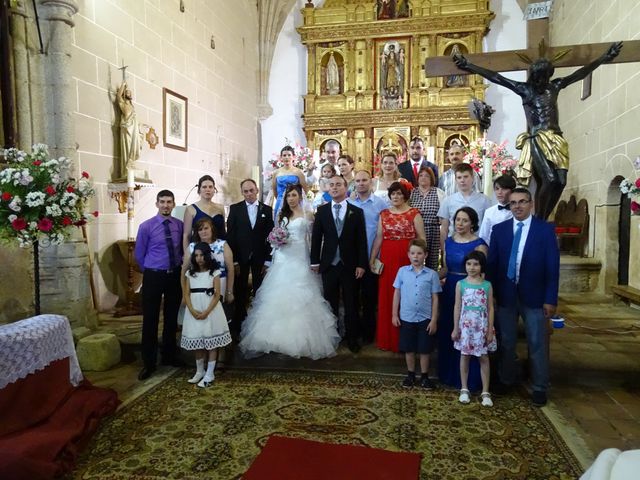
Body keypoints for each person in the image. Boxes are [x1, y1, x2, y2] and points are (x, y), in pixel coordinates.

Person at [453, 42, 622, 219]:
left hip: (556, 138)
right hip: (537, 138)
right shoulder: (525, 89)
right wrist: (468, 66)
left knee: (561, 181)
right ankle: (539, 219)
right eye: (540, 75)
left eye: (545, 75)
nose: (543, 80)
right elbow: (496, 77)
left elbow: (580, 74)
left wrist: (604, 58)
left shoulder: (554, 86)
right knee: (550, 179)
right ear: (534, 74)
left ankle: (543, 216)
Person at [240, 184, 340, 359]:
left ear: (300, 197)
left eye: (294, 195)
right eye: (288, 196)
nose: (291, 199)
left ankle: (301, 339)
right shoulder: (282, 215)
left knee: (301, 295)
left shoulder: (308, 215)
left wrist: (314, 259)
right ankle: (272, 337)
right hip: (283, 257)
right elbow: (277, 233)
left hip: (300, 256)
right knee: (278, 294)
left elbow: (313, 238)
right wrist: (275, 240)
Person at [487, 187, 560, 407]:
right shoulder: (499, 230)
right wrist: (492, 295)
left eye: (522, 202)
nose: (517, 206)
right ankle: (506, 379)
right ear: (509, 206)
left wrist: (550, 299)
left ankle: (539, 386)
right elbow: (492, 266)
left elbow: (552, 267)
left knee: (537, 342)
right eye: (513, 203)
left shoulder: (544, 230)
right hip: (506, 295)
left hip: (535, 296)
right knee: (506, 342)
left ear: (531, 204)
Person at [311, 174, 368, 353]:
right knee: (330, 303)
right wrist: (315, 261)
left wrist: (361, 264)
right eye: (331, 185)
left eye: (338, 185)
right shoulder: (322, 211)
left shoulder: (356, 212)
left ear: (346, 188)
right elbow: (316, 238)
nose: (334, 187)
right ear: (327, 188)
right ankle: (332, 338)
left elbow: (361, 240)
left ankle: (352, 338)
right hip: (328, 264)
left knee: (351, 303)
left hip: (349, 264)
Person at [369, 181, 425, 352]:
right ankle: (388, 340)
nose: (396, 197)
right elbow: (379, 237)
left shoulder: (414, 213)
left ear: (405, 195)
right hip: (388, 258)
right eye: (393, 194)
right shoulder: (384, 214)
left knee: (408, 298)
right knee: (388, 297)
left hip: (408, 258)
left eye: (399, 194)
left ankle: (407, 341)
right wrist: (372, 259)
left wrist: (419, 260)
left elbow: (422, 239)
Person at [135, 190, 184, 381]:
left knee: (171, 318)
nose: (165, 205)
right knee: (150, 319)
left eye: (169, 202)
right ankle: (149, 363)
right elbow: (139, 254)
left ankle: (169, 356)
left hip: (173, 276)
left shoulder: (179, 225)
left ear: (173, 204)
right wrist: (152, 269)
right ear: (157, 204)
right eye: (162, 202)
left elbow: (181, 248)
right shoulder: (146, 226)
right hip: (154, 276)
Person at [437, 207, 488, 390]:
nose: (460, 223)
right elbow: (444, 268)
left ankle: (470, 380)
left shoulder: (479, 244)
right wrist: (430, 278)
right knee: (450, 329)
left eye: (464, 220)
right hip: (450, 288)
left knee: (468, 331)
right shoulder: (448, 242)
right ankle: (448, 374)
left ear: (472, 223)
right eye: (457, 220)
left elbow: (483, 274)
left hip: (471, 292)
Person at [226, 179, 274, 337]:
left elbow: (270, 236)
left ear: (257, 190)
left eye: (251, 190)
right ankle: (239, 322)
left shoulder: (267, 209)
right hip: (240, 257)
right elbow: (231, 235)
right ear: (242, 192)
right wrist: (233, 261)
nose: (248, 194)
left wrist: (268, 260)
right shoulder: (235, 209)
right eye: (245, 191)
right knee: (240, 290)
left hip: (260, 257)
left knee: (260, 289)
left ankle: (260, 322)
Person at [180, 242, 231, 388]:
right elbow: (187, 293)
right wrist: (191, 309)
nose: (199, 258)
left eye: (202, 255)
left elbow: (216, 295)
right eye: (196, 256)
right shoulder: (190, 273)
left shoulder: (214, 272)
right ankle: (199, 371)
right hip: (194, 309)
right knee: (198, 340)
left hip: (210, 309)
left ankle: (210, 373)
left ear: (207, 255)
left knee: (211, 342)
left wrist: (207, 311)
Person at [392, 239, 441, 389]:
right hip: (407, 317)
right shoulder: (402, 272)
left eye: (419, 253)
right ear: (408, 254)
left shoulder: (432, 275)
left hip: (425, 318)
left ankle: (425, 376)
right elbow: (397, 293)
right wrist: (395, 314)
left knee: (425, 349)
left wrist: (433, 320)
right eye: (413, 253)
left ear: (425, 255)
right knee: (409, 348)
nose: (416, 256)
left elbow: (435, 298)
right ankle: (411, 374)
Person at [451, 251, 496, 406]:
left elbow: (490, 308)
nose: (472, 267)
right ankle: (464, 388)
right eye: (469, 264)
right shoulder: (460, 284)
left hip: (481, 327)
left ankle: (485, 391)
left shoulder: (487, 285)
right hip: (465, 327)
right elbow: (457, 306)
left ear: (481, 266)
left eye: (476, 264)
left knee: (483, 357)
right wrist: (455, 328)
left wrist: (490, 330)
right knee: (465, 356)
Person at [348, 169, 388, 343]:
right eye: (358, 181)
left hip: (372, 257)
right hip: (353, 258)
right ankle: (353, 331)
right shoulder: (349, 203)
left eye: (364, 180)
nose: (361, 183)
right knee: (352, 298)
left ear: (371, 182)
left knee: (369, 298)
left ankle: (368, 334)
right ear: (354, 183)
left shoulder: (380, 204)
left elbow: (384, 232)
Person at [437, 163, 491, 250]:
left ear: (472, 178)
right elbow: (444, 229)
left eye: (466, 177)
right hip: (454, 245)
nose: (462, 180)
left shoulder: (484, 200)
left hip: (476, 246)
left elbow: (488, 226)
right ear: (455, 180)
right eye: (459, 177)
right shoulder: (448, 200)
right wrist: (444, 250)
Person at [409, 166, 444, 270]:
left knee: (432, 262)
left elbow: (443, 216)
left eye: (427, 176)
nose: (423, 178)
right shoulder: (411, 193)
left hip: (433, 231)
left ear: (431, 178)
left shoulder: (439, 193)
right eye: (421, 175)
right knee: (416, 259)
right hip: (415, 231)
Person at [182, 175, 226, 253]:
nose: (207, 189)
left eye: (210, 187)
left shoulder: (221, 208)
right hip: (199, 252)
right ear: (199, 190)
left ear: (214, 190)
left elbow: (223, 231)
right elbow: (186, 236)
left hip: (219, 250)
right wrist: (187, 256)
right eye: (204, 187)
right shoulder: (190, 209)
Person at [271, 145, 309, 221]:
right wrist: (281, 199)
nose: (287, 157)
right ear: (281, 158)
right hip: (280, 202)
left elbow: (305, 190)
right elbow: (275, 191)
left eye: (289, 155)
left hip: (295, 202)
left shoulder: (298, 172)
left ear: (293, 157)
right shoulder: (276, 173)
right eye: (284, 155)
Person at [479, 174, 516, 245]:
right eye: (497, 189)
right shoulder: (489, 212)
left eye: (504, 188)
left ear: (512, 190)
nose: (499, 192)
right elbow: (483, 236)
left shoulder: (518, 211)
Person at [116, 82, 142, 177]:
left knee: (133, 148)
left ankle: (131, 164)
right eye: (127, 92)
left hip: (133, 130)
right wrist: (123, 85)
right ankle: (126, 169)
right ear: (124, 94)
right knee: (127, 149)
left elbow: (136, 121)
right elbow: (118, 96)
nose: (129, 94)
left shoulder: (132, 107)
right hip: (126, 130)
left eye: (130, 93)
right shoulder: (123, 104)